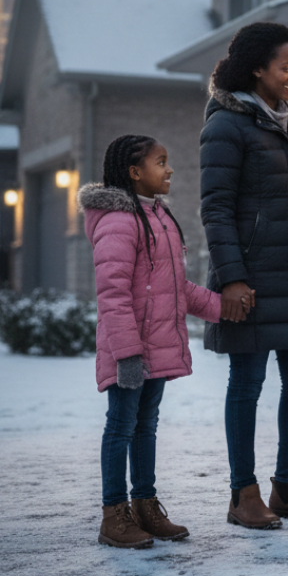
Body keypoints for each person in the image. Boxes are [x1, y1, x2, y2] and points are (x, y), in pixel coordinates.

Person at [201, 21, 288, 530]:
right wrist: (232, 278)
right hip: (252, 278)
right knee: (248, 383)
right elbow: (215, 209)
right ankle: (244, 494)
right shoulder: (226, 124)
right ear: (257, 68)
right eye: (286, 67)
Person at [80, 134, 230, 548]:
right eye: (160, 162)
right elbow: (112, 295)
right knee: (121, 427)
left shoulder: (159, 217)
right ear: (134, 172)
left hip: (156, 346)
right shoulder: (117, 222)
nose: (170, 170)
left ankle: (145, 505)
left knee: (146, 427)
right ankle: (114, 515)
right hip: (130, 351)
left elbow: (176, 288)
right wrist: (127, 354)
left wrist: (224, 308)